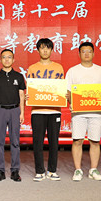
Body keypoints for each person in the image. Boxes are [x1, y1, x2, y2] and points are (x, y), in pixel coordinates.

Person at [65, 42, 101, 181]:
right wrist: (70, 101)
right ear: (79, 53)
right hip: (78, 113)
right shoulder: (73, 71)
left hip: (96, 113)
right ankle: (78, 170)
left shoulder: (100, 70)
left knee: (95, 141)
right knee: (77, 141)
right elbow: (68, 92)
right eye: (83, 51)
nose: (86, 54)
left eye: (89, 51)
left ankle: (93, 170)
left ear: (93, 53)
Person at [25, 38, 64, 182]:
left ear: (52, 50)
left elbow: (61, 88)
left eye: (48, 48)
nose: (45, 50)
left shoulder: (59, 68)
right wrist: (28, 95)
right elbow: (30, 89)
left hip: (54, 111)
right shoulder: (32, 68)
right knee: (38, 142)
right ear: (38, 50)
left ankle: (52, 170)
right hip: (37, 111)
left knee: (54, 142)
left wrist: (64, 95)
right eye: (42, 48)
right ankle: (39, 171)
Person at [0, 49, 26, 182]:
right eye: (4, 57)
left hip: (15, 110)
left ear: (13, 59)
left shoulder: (19, 76)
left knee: (15, 142)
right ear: (0, 60)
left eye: (9, 57)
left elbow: (21, 95)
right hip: (0, 110)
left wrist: (22, 112)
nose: (6, 59)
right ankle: (0, 171)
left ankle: (15, 171)